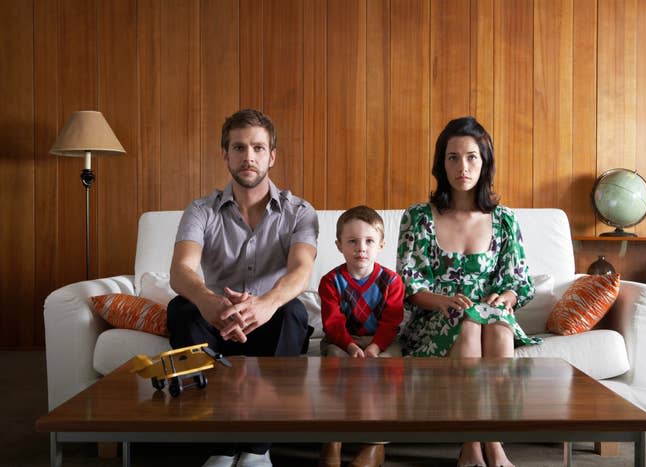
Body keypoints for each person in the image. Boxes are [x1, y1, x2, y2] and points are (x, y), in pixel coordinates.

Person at [167, 108, 319, 467]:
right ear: (225, 155)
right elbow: (181, 269)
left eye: (258, 148)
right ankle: (220, 448)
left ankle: (255, 449)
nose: (248, 157)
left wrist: (264, 304)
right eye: (238, 148)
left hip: (268, 322)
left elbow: (301, 271)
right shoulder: (200, 210)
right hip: (214, 323)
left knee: (294, 312)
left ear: (272, 155)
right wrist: (209, 302)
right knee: (180, 309)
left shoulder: (300, 211)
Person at [397, 116, 540, 467]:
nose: (463, 166)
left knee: (497, 327)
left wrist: (504, 299)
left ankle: (488, 440)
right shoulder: (418, 217)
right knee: (468, 324)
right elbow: (410, 284)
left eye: (472, 157)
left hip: (492, 315)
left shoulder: (504, 219)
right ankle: (475, 443)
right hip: (437, 317)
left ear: (485, 162)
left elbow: (518, 281)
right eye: (453, 157)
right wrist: (445, 301)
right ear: (441, 164)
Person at [317, 205, 404, 467]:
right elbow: (332, 323)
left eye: (369, 241)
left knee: (390, 367)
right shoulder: (331, 281)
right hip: (343, 339)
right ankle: (332, 442)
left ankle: (374, 444)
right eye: (352, 241)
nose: (361, 248)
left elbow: (391, 322)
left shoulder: (392, 281)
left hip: (381, 340)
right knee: (334, 362)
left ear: (381, 245)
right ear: (339, 245)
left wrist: (376, 348)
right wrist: (351, 346)